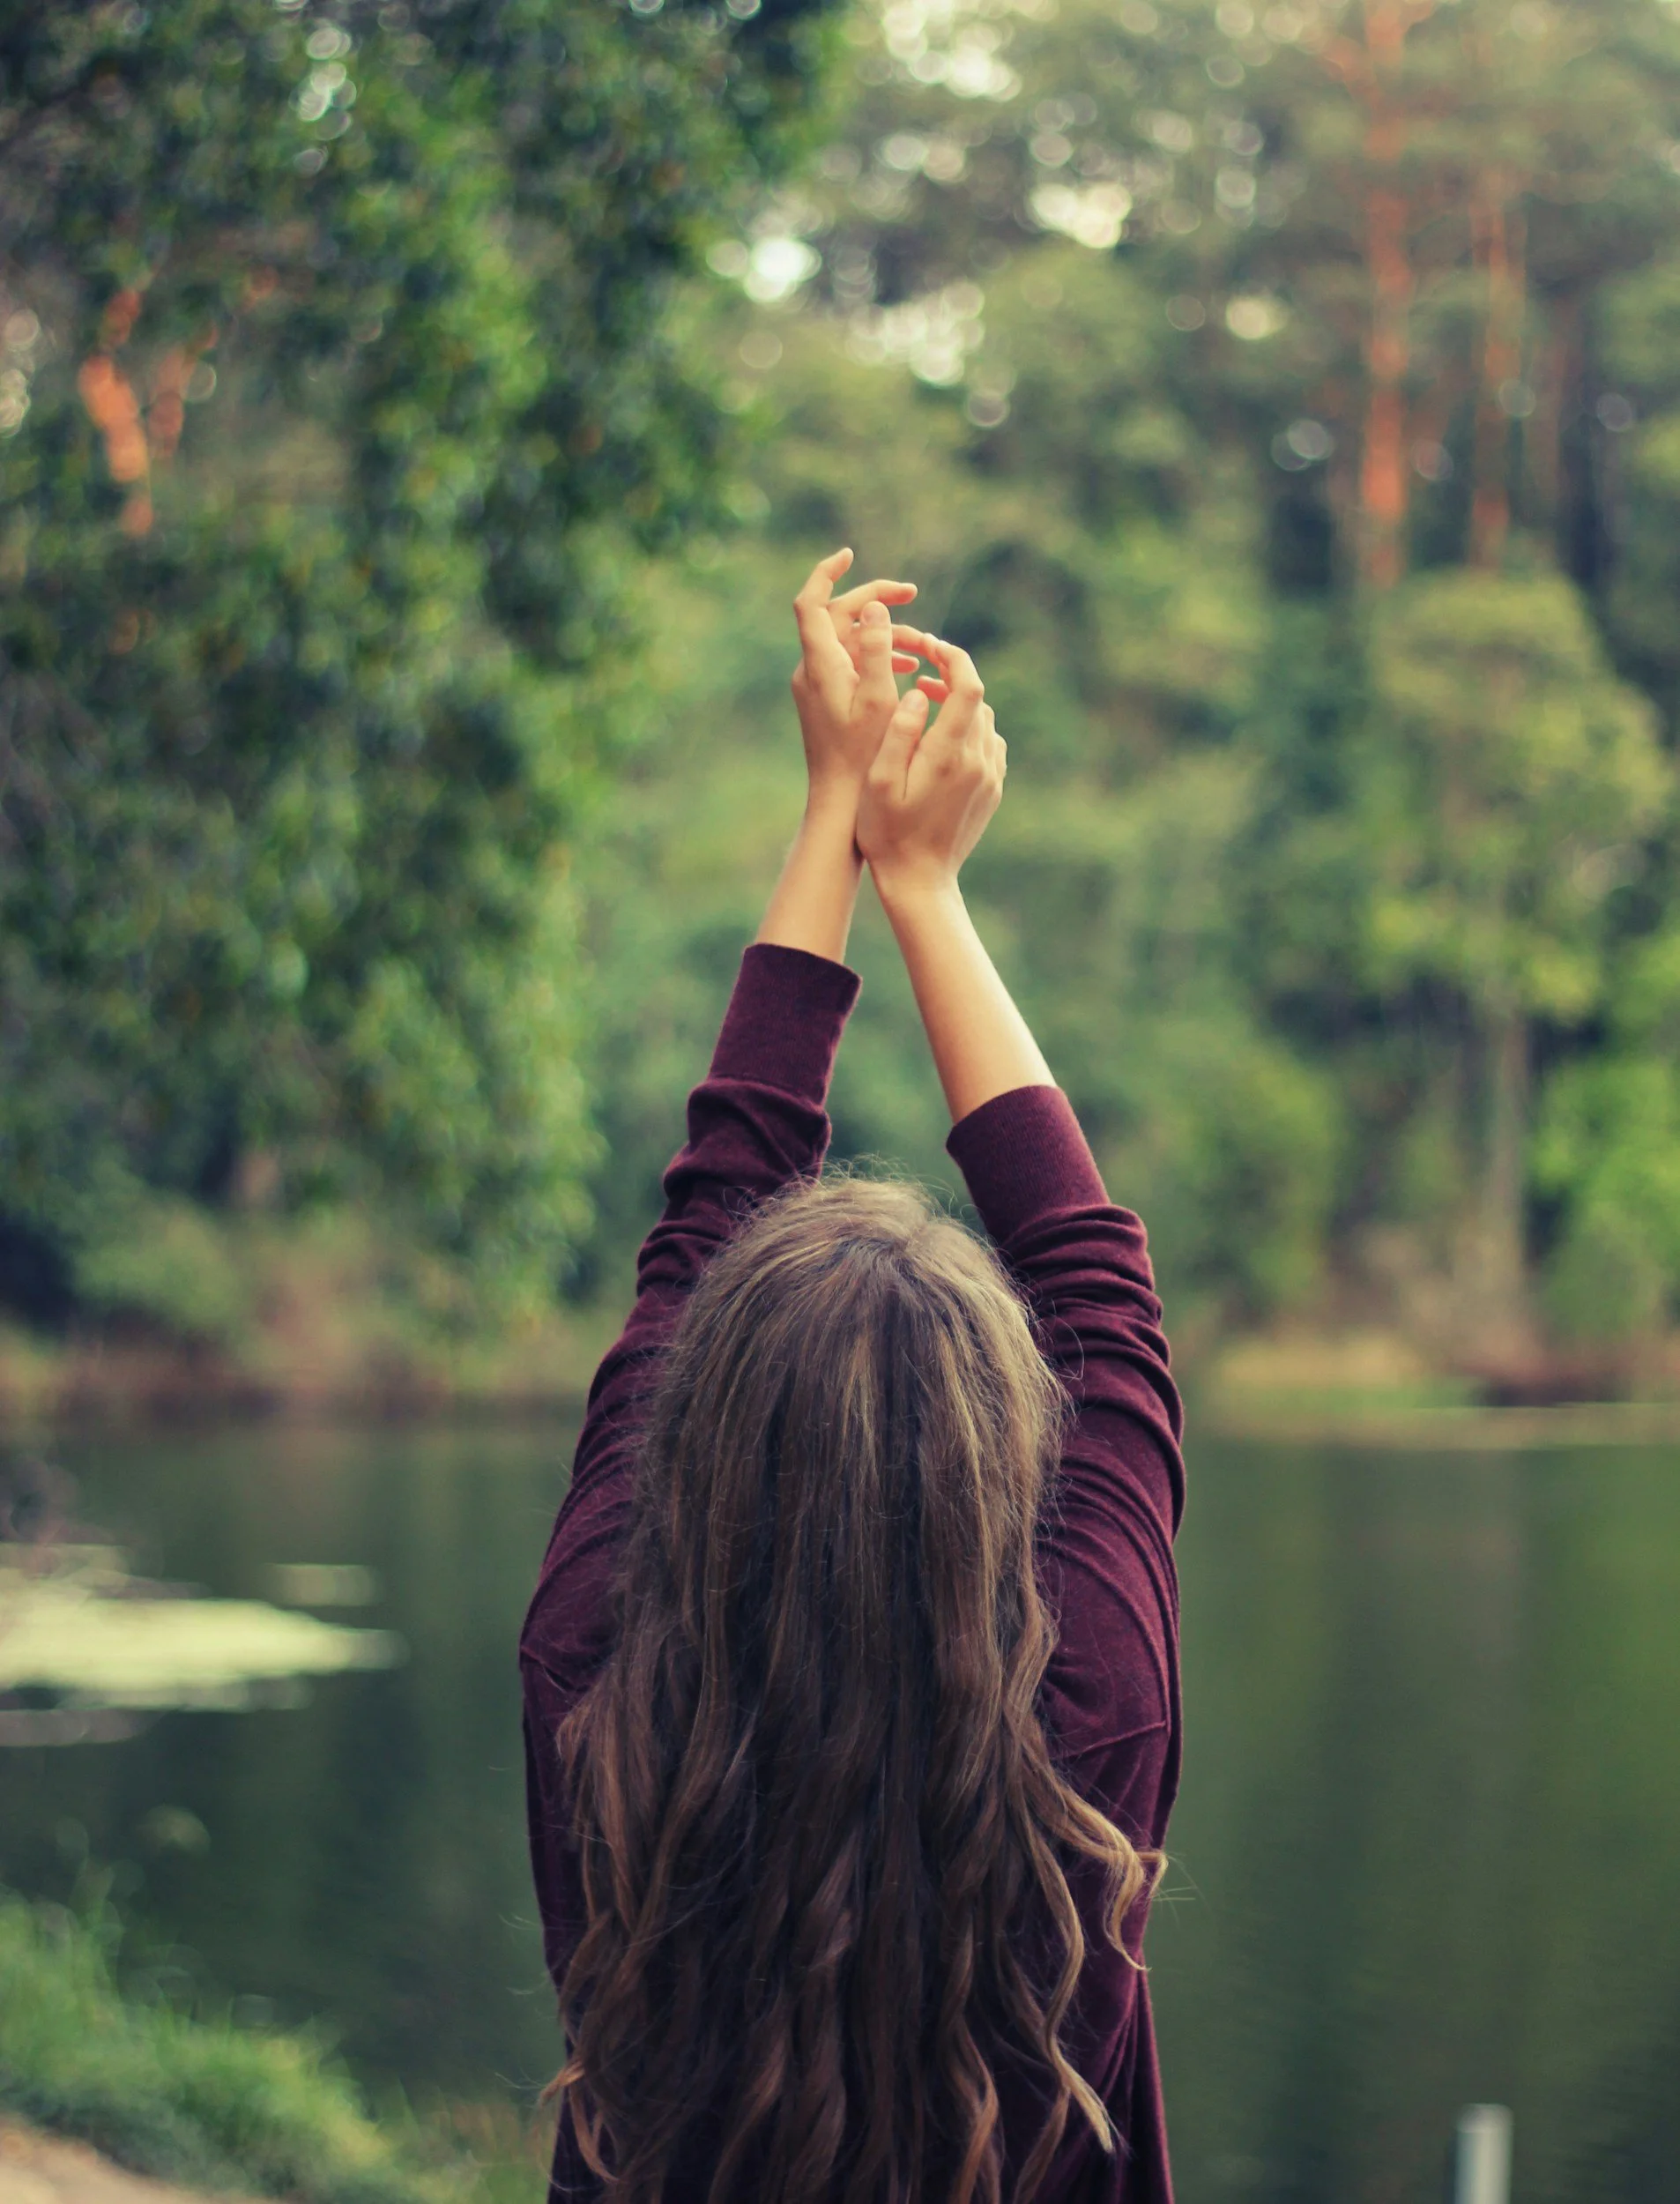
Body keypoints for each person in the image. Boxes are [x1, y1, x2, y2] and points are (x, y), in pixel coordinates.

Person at [519, 550, 1186, 2204]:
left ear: (697, 1441)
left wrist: (836, 818)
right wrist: (920, 881)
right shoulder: (1088, 1716)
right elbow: (1099, 1292)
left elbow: (706, 1227)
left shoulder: (598, 1692)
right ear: (1001, 1458)